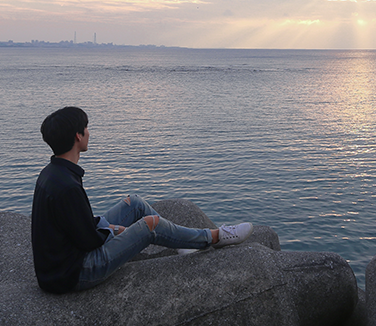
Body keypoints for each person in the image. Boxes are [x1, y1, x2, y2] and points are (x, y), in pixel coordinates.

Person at [31, 106, 252, 293]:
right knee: (150, 227)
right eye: (86, 128)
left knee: (133, 203)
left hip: (61, 264)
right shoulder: (67, 186)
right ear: (77, 136)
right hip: (75, 272)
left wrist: (111, 229)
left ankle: (184, 243)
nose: (89, 132)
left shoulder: (52, 173)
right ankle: (214, 237)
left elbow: (75, 226)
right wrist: (116, 231)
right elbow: (88, 241)